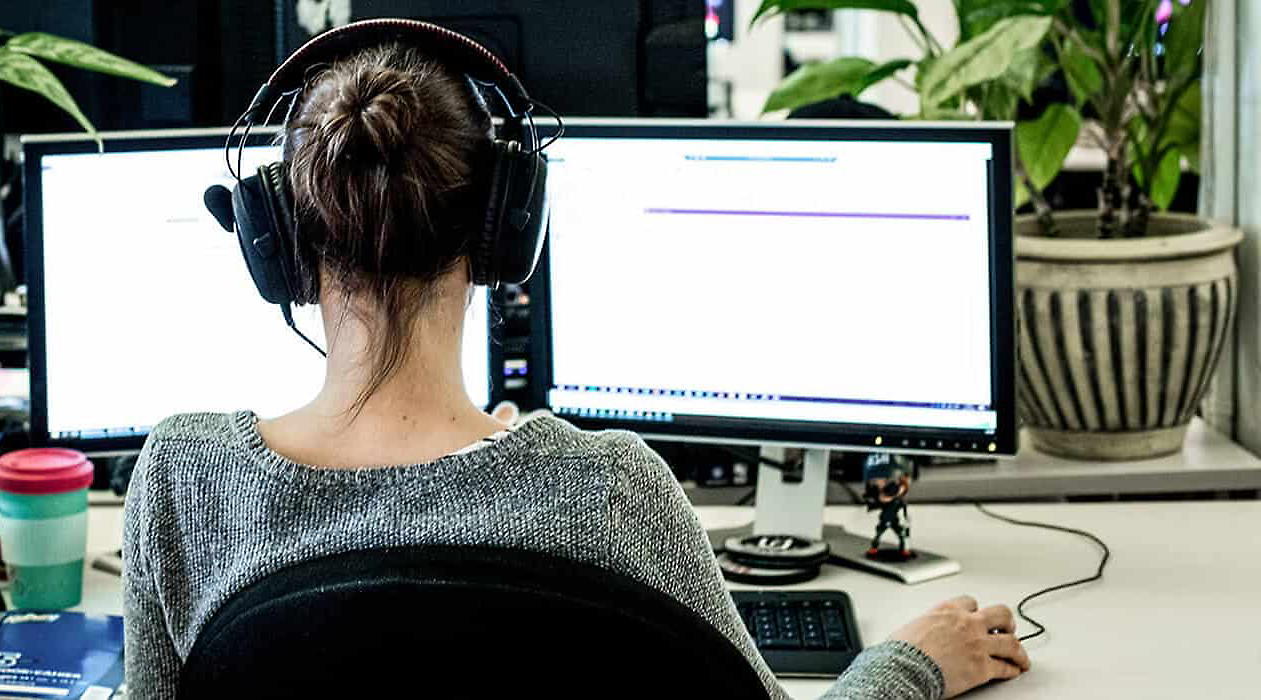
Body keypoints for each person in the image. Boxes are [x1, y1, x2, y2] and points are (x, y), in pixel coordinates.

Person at [121, 41, 1030, 699]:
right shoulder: (609, 489)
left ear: (274, 245)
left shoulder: (181, 477)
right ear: (505, 234)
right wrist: (909, 662)